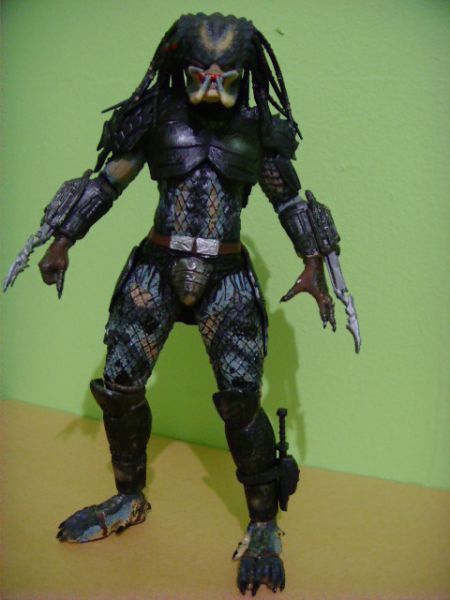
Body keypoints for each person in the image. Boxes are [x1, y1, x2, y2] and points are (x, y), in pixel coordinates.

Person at [8, 13, 344, 595]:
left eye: (225, 78)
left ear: (243, 75)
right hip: (155, 269)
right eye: (200, 75)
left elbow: (289, 200)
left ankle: (264, 524)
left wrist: (313, 262)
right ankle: (127, 496)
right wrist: (63, 239)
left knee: (241, 401)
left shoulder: (257, 131)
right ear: (180, 69)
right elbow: (107, 181)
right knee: (120, 386)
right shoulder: (156, 119)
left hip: (227, 275)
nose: (211, 88)